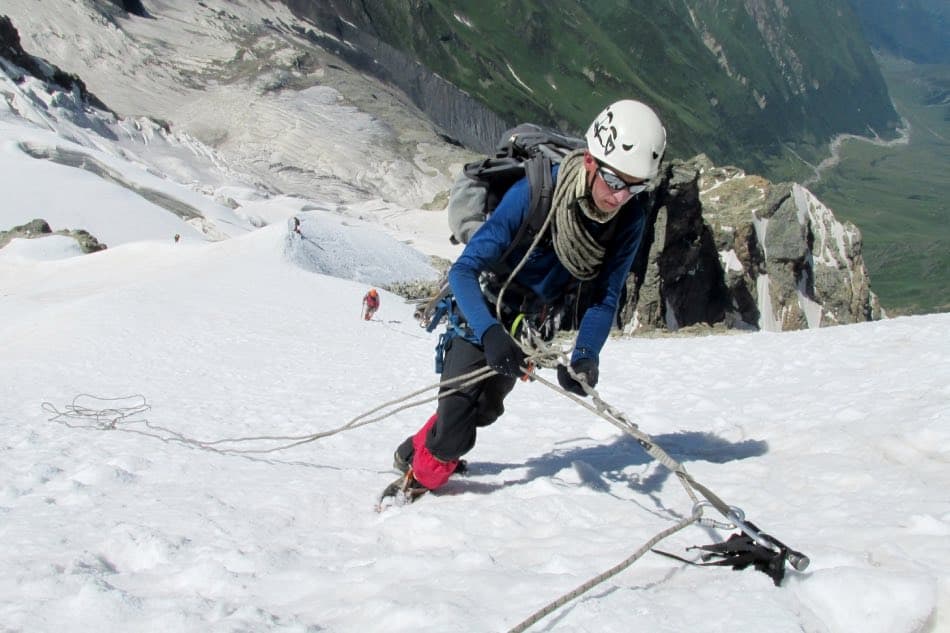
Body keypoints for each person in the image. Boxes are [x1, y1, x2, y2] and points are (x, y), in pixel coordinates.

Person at [392, 99, 667, 492]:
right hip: (480, 307)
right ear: (589, 161)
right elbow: (465, 270)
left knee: (484, 410)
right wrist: (489, 333)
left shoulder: (628, 219)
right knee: (455, 432)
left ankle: (414, 449)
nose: (621, 197)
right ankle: (418, 480)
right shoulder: (534, 195)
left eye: (635, 186)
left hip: (528, 324)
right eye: (615, 181)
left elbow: (605, 296)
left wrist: (586, 356)